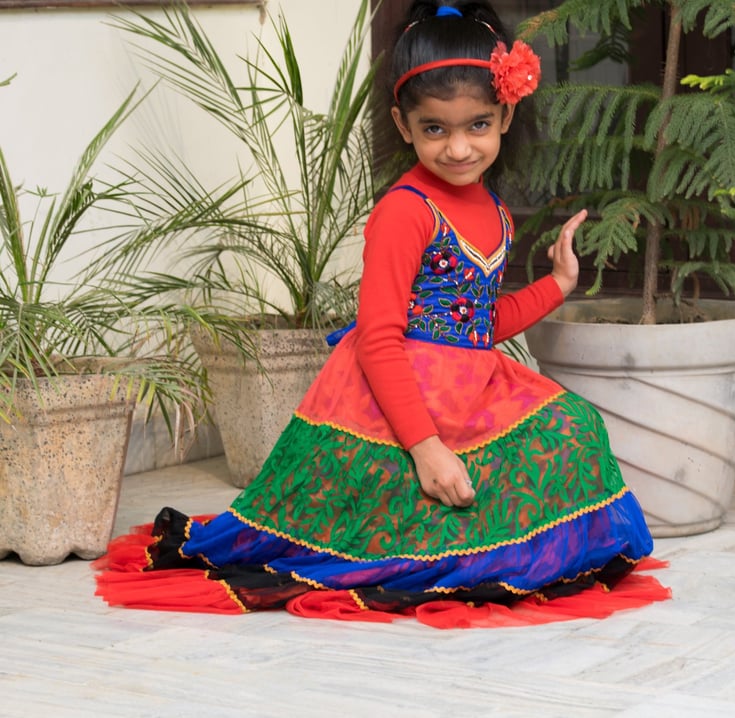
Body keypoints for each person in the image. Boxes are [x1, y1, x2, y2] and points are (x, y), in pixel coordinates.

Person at [95, 0, 668, 627]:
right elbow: (378, 338)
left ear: (505, 112)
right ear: (403, 124)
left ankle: (503, 553)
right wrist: (425, 449)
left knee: (574, 427)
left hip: (471, 382)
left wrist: (557, 283)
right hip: (397, 393)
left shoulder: (496, 210)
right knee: (419, 516)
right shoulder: (406, 210)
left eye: (477, 125)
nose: (457, 147)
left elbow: (477, 327)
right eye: (435, 129)